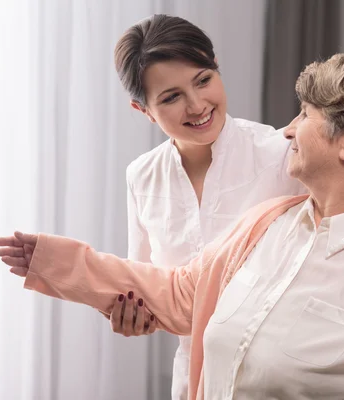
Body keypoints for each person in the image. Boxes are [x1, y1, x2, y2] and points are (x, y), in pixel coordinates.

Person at [0, 48, 344, 399]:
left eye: (304, 114)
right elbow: (176, 294)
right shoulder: (265, 226)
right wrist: (55, 262)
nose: (289, 129)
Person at [108, 14, 306, 399]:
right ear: (143, 110)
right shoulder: (142, 176)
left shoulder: (281, 154)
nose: (197, 105)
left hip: (281, 379)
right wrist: (134, 317)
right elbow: (147, 289)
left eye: (204, 80)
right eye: (171, 97)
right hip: (193, 384)